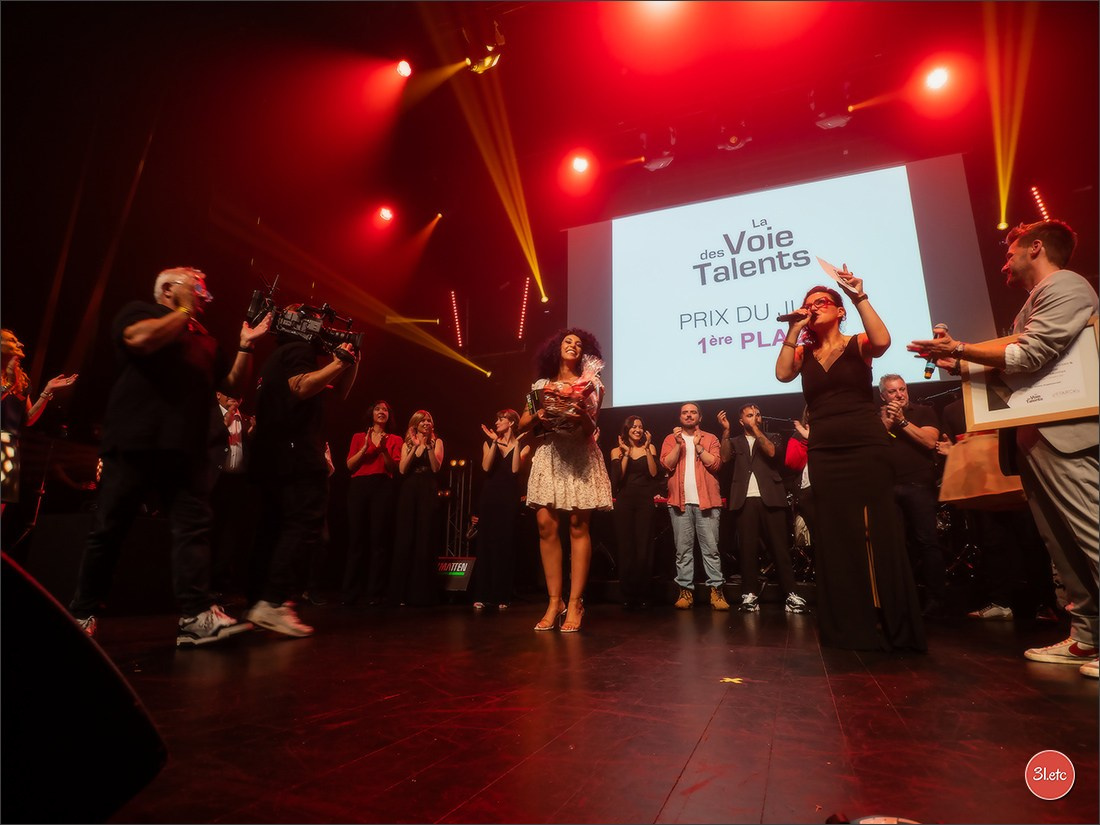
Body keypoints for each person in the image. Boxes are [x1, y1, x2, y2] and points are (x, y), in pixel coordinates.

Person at [910, 219, 1098, 678]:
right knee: (1063, 543)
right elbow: (1014, 369)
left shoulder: (1067, 287)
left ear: (1036, 248)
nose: (1004, 260)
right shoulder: (1028, 307)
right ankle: (1088, 638)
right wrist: (957, 359)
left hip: (1066, 434)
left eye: (1011, 250)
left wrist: (961, 348)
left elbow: (1032, 355)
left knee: (1091, 535)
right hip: (1035, 436)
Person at [68, 267, 270, 646]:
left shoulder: (205, 339)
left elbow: (231, 385)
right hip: (135, 443)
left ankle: (195, 616)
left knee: (193, 529)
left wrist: (246, 345)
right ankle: (82, 611)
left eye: (203, 290)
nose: (203, 295)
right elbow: (140, 341)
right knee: (110, 530)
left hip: (185, 451)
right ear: (167, 290)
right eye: (196, 287)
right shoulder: (140, 313)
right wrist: (181, 315)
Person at [775, 270, 925, 652]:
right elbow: (781, 374)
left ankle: (893, 623)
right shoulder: (804, 352)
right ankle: (849, 626)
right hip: (825, 451)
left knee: (878, 529)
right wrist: (794, 328)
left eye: (821, 303)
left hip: (865, 445)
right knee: (837, 536)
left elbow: (882, 340)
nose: (813, 308)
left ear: (839, 312)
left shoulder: (857, 343)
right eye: (808, 305)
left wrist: (859, 296)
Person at [247, 316, 359, 637]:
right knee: (304, 522)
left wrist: (348, 362)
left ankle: (260, 601)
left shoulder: (278, 355)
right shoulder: (298, 350)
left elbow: (340, 393)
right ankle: (274, 602)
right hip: (295, 452)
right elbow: (300, 388)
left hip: (273, 453)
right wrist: (339, 360)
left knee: (272, 526)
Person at [520, 329, 613, 633]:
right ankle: (553, 601)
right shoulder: (540, 386)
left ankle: (575, 603)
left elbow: (591, 427)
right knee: (546, 526)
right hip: (550, 454)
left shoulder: (592, 383)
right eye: (567, 342)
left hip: (579, 455)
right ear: (556, 349)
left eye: (578, 344)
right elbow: (523, 422)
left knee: (577, 526)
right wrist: (541, 413)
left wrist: (579, 411)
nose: (573, 346)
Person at [718, 403, 805, 614]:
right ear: (741, 421)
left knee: (779, 548)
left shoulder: (772, 436)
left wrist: (757, 430)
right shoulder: (735, 441)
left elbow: (773, 453)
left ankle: (791, 594)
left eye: (757, 414)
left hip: (771, 498)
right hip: (744, 500)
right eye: (749, 415)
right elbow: (724, 457)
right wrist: (726, 431)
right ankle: (750, 594)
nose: (754, 418)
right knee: (747, 550)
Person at [1, 329, 78, 552]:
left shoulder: (22, 380)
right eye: (13, 340)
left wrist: (46, 391)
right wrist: (7, 385)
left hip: (9, 447)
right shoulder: (10, 379)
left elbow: (28, 419)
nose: (21, 344)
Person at [878, 374, 946, 617]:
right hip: (887, 487)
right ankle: (901, 600)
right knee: (896, 546)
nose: (899, 395)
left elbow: (929, 442)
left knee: (927, 542)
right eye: (893, 391)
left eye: (902, 389)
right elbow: (871, 450)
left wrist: (903, 421)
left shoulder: (923, 412)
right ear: (883, 396)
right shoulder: (877, 418)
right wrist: (886, 424)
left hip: (918, 485)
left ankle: (935, 599)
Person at [660, 402, 727, 611]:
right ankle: (685, 592)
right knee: (683, 551)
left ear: (700, 417)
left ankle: (716, 592)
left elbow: (716, 464)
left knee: (711, 550)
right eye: (685, 412)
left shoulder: (710, 438)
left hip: (706, 502)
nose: (689, 415)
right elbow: (666, 464)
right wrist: (680, 444)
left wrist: (698, 447)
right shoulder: (671, 439)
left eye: (693, 412)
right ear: (680, 416)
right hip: (679, 502)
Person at [342, 400, 403, 606]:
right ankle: (350, 594)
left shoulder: (395, 439)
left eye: (385, 409)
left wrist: (383, 450)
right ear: (371, 413)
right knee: (356, 540)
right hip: (359, 486)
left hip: (382, 486)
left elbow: (393, 468)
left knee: (378, 540)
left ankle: (375, 594)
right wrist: (365, 448)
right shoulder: (359, 437)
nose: (382, 412)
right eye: (378, 409)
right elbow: (350, 465)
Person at [471, 409, 530, 610]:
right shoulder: (488, 443)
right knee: (486, 543)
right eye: (496, 418)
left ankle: (502, 595)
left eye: (501, 419)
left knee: (505, 544)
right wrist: (495, 442)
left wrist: (515, 445)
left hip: (508, 499)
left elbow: (514, 470)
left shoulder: (523, 445)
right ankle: (482, 594)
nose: (496, 422)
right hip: (489, 498)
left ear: (512, 422)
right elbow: (486, 467)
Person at [388, 409, 444, 606]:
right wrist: (415, 446)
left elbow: (436, 468)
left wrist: (427, 446)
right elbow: (402, 469)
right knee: (406, 537)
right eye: (423, 421)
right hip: (409, 490)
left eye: (429, 420)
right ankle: (400, 593)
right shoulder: (407, 444)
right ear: (416, 424)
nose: (427, 423)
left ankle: (421, 593)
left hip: (427, 488)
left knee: (425, 536)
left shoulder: (437, 442)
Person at [609, 414, 659, 609]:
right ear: (627, 430)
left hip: (645, 500)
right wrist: (626, 453)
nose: (637, 429)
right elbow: (618, 479)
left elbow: (654, 473)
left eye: (640, 426)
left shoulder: (650, 448)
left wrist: (647, 450)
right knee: (626, 546)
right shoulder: (617, 450)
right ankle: (628, 593)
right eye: (633, 427)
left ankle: (644, 592)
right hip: (625, 501)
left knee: (644, 546)